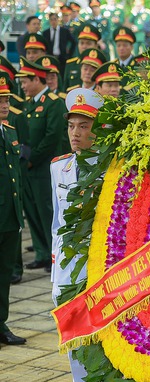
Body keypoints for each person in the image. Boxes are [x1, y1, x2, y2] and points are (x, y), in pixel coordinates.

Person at [50, 87, 124, 382]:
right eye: (71, 126)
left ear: (98, 129)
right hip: (68, 280)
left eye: (84, 126)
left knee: (109, 355)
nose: (76, 134)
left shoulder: (114, 169)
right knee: (78, 357)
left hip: (104, 278)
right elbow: (56, 226)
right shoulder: (59, 169)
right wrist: (56, 281)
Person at [18, 57, 67, 273]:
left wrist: (31, 160)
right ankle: (41, 253)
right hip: (28, 169)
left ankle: (52, 254)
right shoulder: (28, 105)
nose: (22, 86)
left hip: (44, 169)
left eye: (25, 81)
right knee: (32, 212)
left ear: (36, 79)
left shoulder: (53, 103)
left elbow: (52, 138)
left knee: (47, 213)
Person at [0, 75, 27, 348]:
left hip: (9, 217)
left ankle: (2, 323)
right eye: (0, 100)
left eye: (6, 99)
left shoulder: (9, 131)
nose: (5, 104)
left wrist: (19, 214)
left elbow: (14, 178)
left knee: (4, 273)